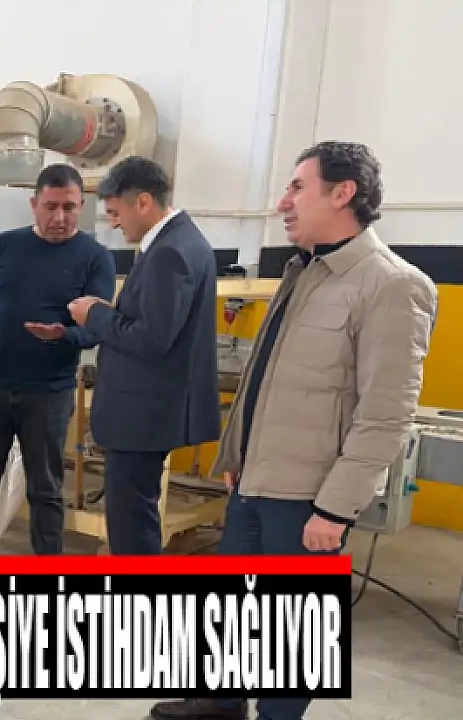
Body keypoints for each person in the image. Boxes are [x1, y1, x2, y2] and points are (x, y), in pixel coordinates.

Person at [150, 144, 437, 720]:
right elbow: (268, 378)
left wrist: (334, 510)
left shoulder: (391, 285)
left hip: (308, 496)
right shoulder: (303, 272)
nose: (283, 202)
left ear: (343, 193)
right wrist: (237, 455)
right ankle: (223, 702)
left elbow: (385, 415)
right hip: (255, 480)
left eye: (297, 188)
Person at [0, 164, 116, 555]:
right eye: (50, 206)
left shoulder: (96, 258)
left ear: (82, 205)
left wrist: (64, 335)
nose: (60, 217)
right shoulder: (4, 246)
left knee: (45, 492)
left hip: (48, 393)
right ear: (33, 204)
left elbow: (98, 328)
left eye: (69, 207)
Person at [67, 156, 221, 555]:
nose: (114, 224)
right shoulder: (182, 243)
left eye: (115, 213)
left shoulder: (170, 252)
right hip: (150, 411)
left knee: (131, 528)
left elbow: (152, 338)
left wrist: (96, 315)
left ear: (144, 202)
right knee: (134, 519)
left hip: (142, 415)